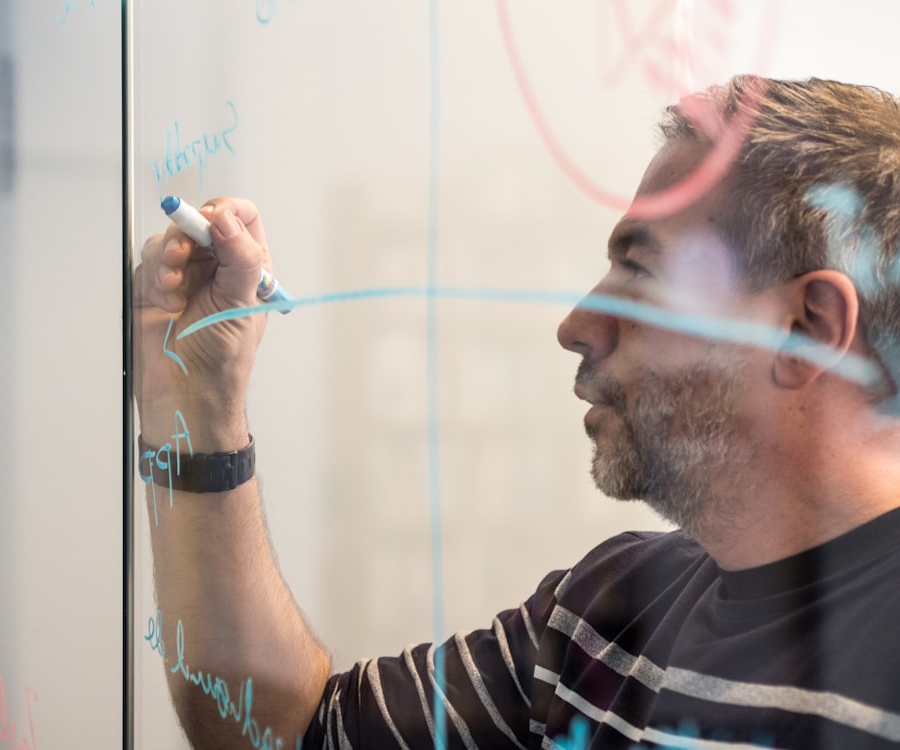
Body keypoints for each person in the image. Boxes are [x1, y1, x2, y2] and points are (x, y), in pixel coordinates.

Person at [134, 75, 900, 749]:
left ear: (808, 327)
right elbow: (290, 735)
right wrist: (200, 405)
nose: (576, 324)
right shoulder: (605, 619)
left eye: (639, 269)